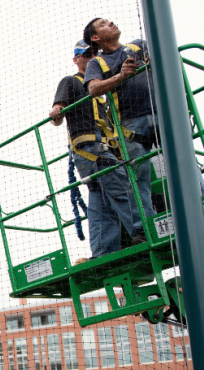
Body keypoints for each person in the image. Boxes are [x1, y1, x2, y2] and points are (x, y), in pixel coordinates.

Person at [83, 18, 204, 220]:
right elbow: (94, 89)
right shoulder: (97, 63)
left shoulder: (139, 45)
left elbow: (166, 60)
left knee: (185, 161)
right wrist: (121, 76)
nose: (112, 22)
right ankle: (146, 225)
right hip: (130, 124)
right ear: (95, 37)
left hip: (163, 113)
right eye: (104, 24)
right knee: (138, 175)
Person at [50, 40, 133, 258]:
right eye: (85, 55)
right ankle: (143, 230)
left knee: (100, 199)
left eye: (94, 54)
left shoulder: (100, 88)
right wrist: (57, 111)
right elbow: (58, 111)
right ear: (76, 59)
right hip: (90, 148)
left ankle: (103, 251)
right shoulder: (71, 82)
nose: (90, 57)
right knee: (123, 187)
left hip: (101, 148)